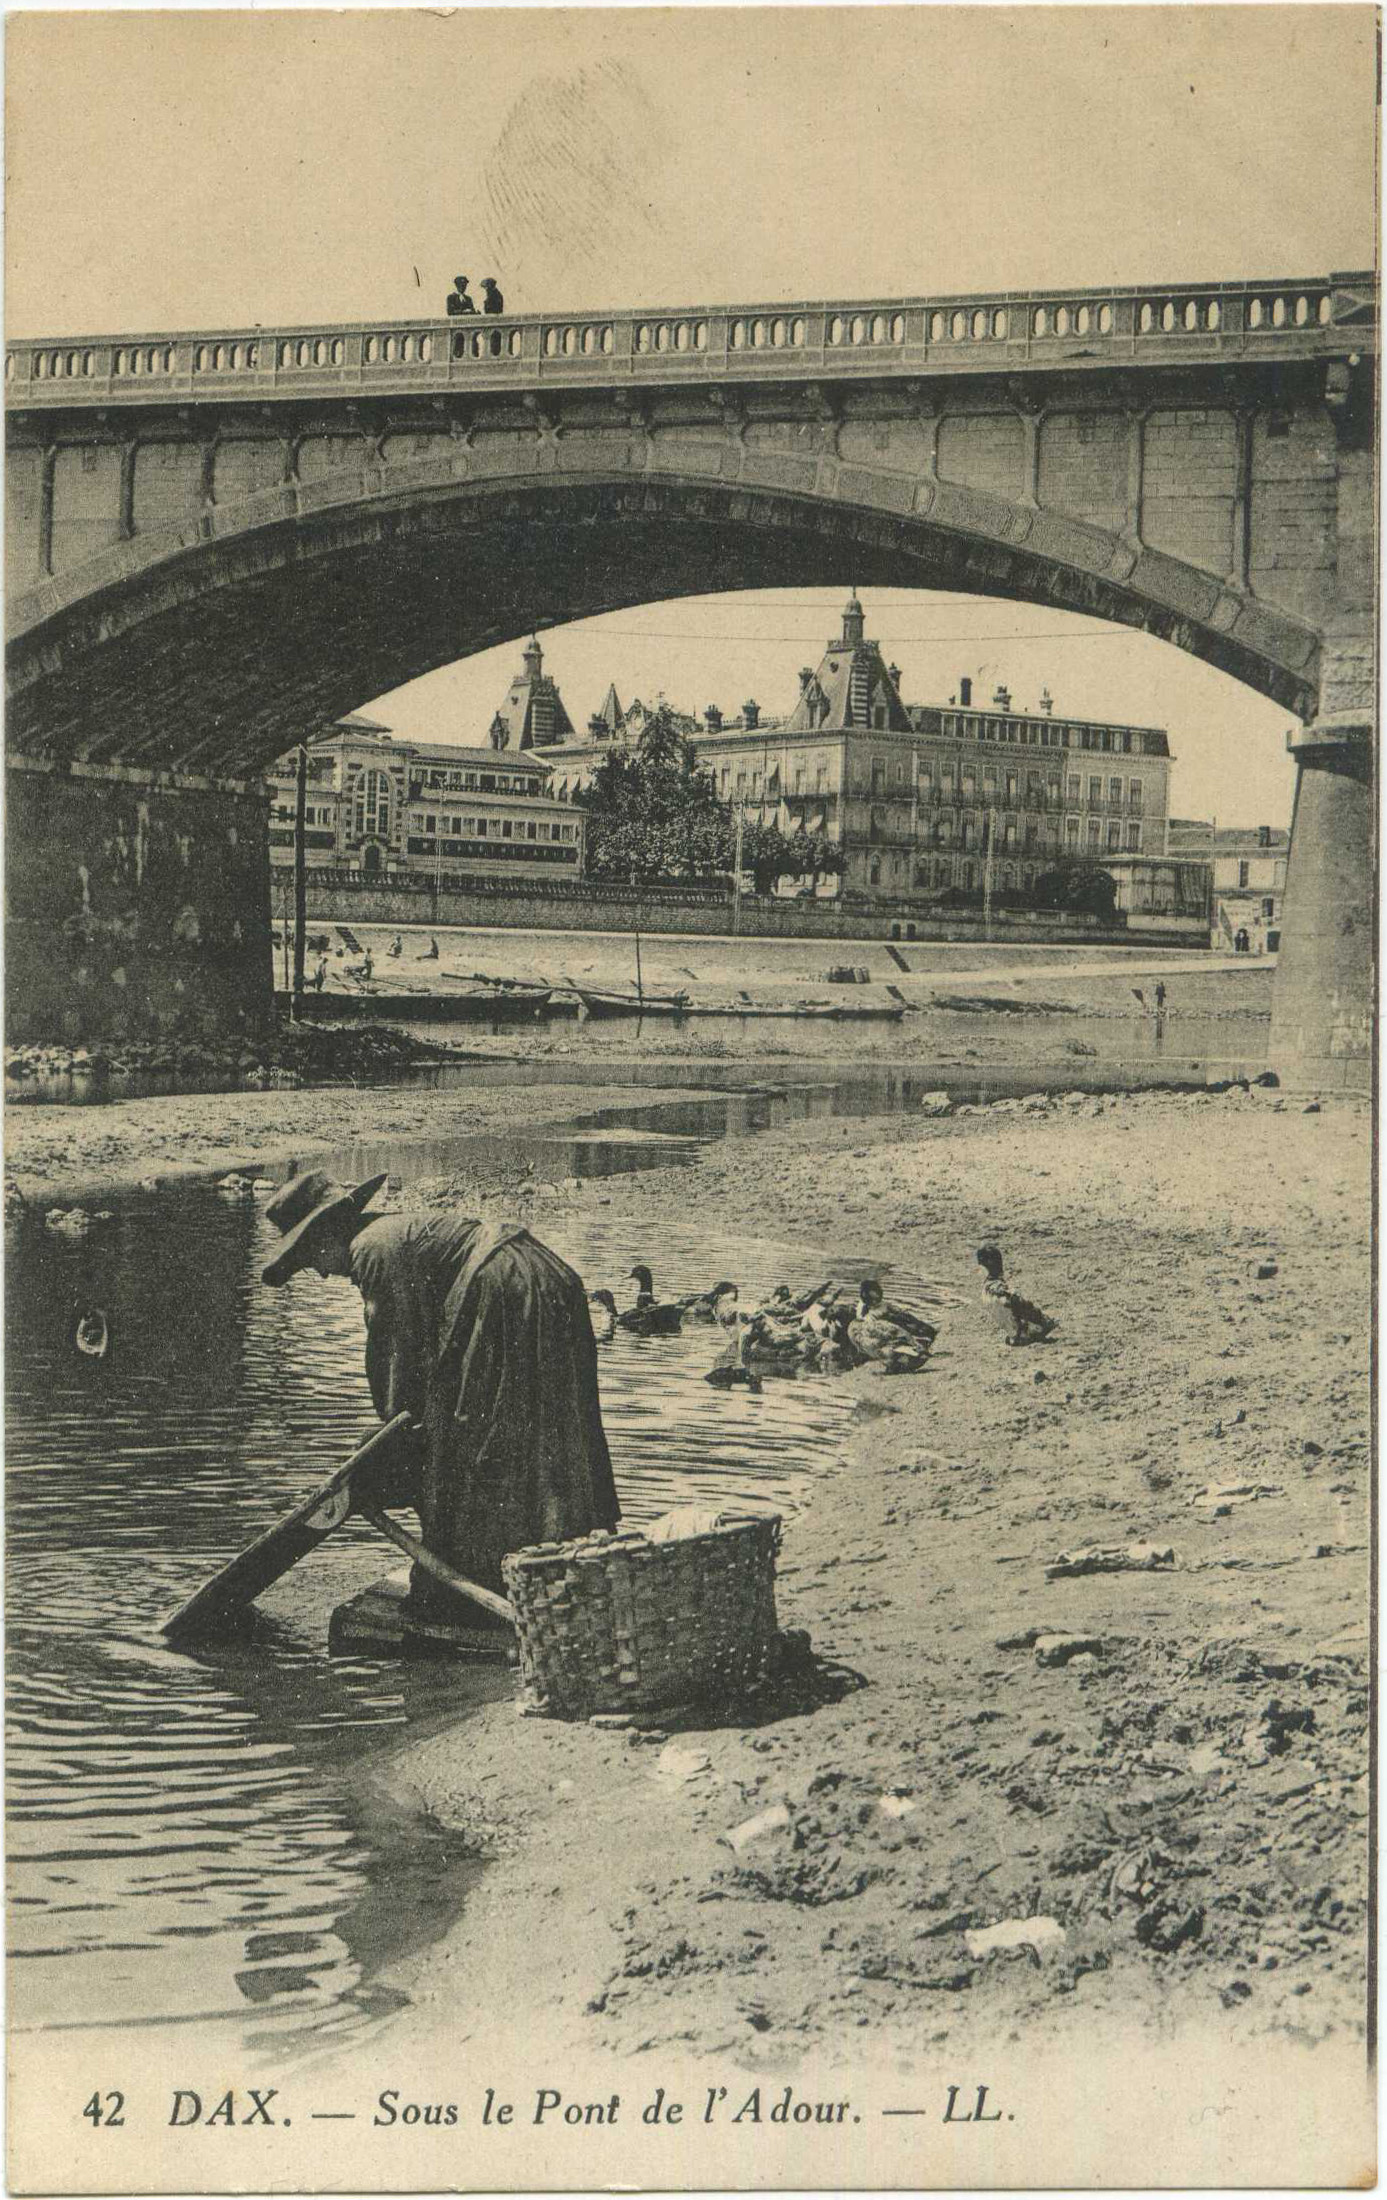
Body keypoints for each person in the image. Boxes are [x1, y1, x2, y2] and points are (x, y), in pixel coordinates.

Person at [261, 1173, 619, 1618]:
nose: (317, 1270)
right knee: (546, 1436)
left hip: (507, 1291)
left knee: (471, 1443)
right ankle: (562, 1569)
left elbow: (395, 1358)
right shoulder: (395, 1232)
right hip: (550, 1282)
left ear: (327, 1231)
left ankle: (469, 1587)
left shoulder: (372, 1249)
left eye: (309, 1256)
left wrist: (391, 1449)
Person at [976, 1244, 1058, 1346]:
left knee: (1009, 1300)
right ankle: (1020, 1334)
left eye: (981, 1263)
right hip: (1022, 1329)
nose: (979, 1266)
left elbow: (1019, 1304)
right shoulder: (993, 1288)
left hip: (1030, 1327)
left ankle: (1024, 1334)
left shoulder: (999, 1291)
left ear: (989, 1262)